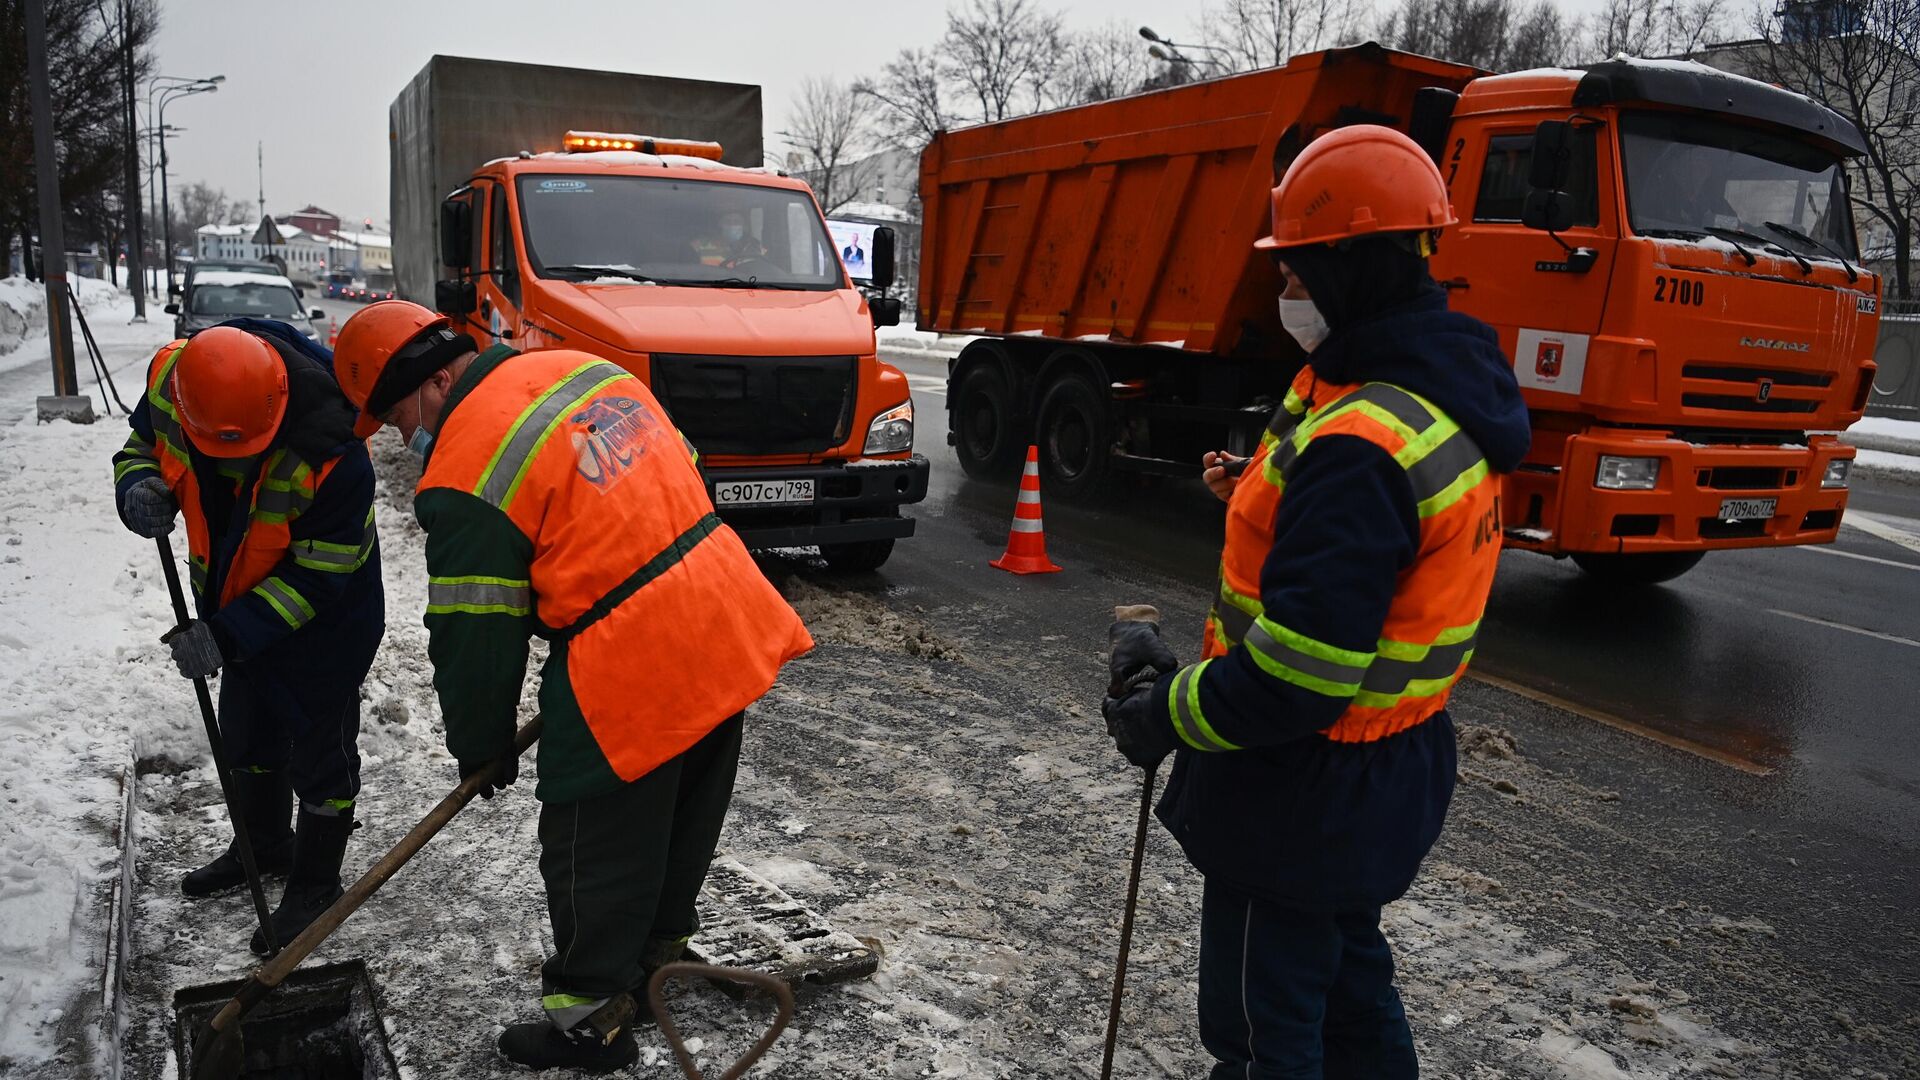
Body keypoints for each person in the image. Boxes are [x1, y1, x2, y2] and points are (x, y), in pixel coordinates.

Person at [1100, 125, 1531, 1078]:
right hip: (1380, 771)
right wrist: (1265, 488)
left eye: (1297, 274)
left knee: (1263, 1032)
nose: (1284, 294)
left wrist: (1165, 713)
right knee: (1347, 992)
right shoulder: (1429, 387)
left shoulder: (1363, 439)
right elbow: (1371, 549)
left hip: (1302, 789)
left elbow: (1299, 675)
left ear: (1352, 269)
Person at [331, 301, 814, 1071]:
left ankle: (591, 1019)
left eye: (395, 415)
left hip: (637, 647)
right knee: (682, 805)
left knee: (594, 838)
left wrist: (481, 746)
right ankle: (658, 958)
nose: (399, 435)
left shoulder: (463, 471)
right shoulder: (582, 370)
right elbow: (684, 465)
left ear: (438, 379)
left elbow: (476, 634)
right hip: (724, 607)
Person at [111, 320, 383, 955]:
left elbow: (319, 576)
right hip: (231, 598)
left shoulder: (334, 447)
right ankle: (262, 845)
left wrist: (227, 636)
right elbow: (138, 450)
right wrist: (137, 488)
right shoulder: (173, 384)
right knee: (247, 730)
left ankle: (315, 884)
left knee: (321, 752)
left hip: (326, 620)